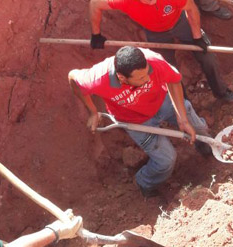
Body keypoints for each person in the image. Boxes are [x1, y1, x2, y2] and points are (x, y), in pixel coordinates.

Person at [69, 45, 210, 196]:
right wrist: (93, 112)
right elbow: (73, 77)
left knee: (198, 127)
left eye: (147, 73)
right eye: (141, 78)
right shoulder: (97, 78)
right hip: (136, 121)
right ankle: (145, 183)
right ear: (122, 78)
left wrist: (182, 119)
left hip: (163, 102)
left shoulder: (153, 60)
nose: (148, 78)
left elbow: (173, 80)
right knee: (166, 160)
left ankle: (205, 146)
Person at [89, 0, 233, 101]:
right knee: (168, 71)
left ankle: (221, 92)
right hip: (155, 34)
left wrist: (197, 36)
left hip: (181, 23)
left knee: (208, 57)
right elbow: (94, 4)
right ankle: (184, 106)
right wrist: (96, 34)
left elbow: (191, 10)